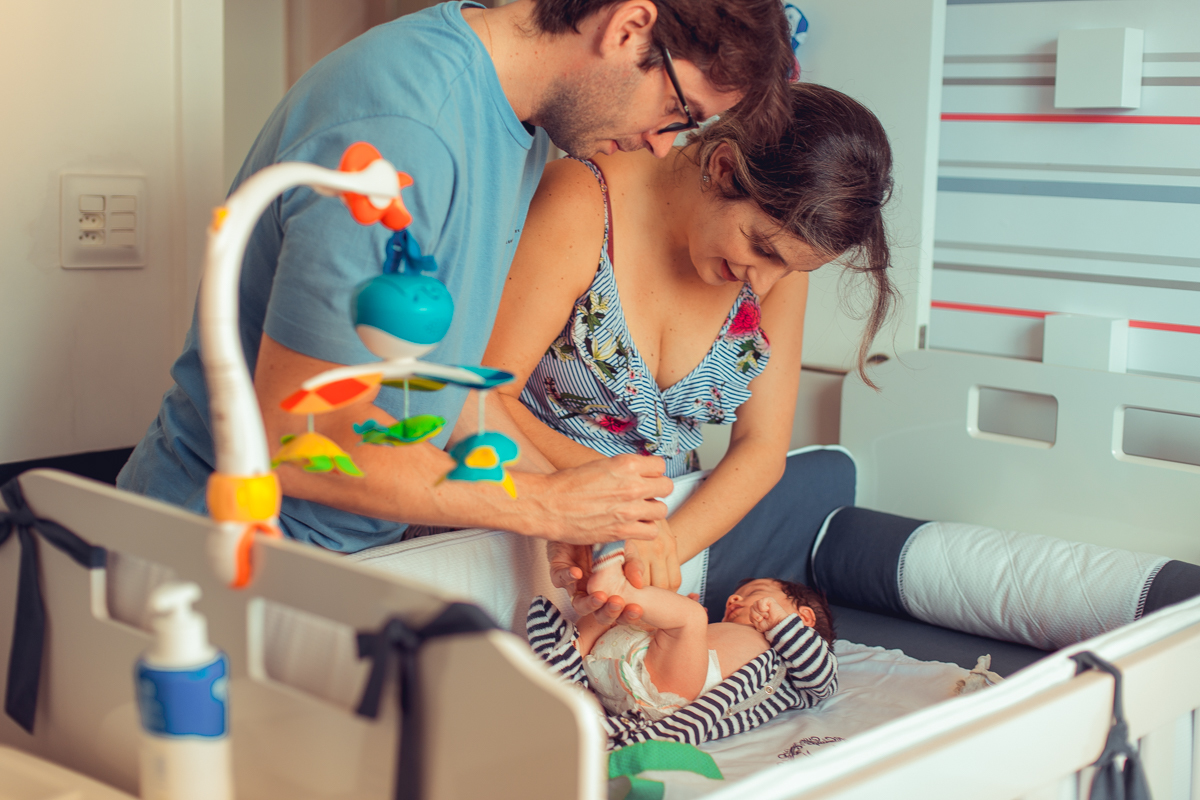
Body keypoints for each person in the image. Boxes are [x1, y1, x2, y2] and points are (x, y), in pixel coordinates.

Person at [117, 0, 797, 554]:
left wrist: (567, 514)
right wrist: (543, 506)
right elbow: (304, 446)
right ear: (628, 28)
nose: (661, 143)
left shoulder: (520, 126)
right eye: (680, 113)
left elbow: (437, 386)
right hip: (213, 544)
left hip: (330, 550)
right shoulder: (406, 128)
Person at [481, 81, 896, 604]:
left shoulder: (781, 263)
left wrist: (664, 546)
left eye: (789, 267)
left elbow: (762, 449)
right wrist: (603, 512)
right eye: (761, 248)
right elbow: (482, 398)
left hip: (652, 542)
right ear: (723, 166)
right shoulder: (582, 201)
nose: (763, 285)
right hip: (521, 515)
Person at [526, 573, 837, 746]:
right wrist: (663, 620)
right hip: (619, 673)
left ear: (804, 617)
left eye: (754, 592)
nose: (734, 599)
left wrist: (781, 625)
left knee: (688, 616)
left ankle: (609, 596)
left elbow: (824, 681)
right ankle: (573, 657)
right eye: (737, 595)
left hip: (666, 697)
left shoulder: (793, 672)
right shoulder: (727, 629)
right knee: (627, 615)